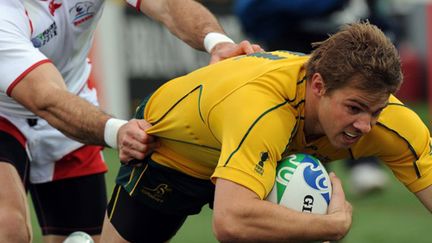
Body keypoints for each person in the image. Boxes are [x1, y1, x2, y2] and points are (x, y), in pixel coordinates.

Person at [101, 22, 432, 242]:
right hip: (172, 152)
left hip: (264, 160)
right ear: (319, 86)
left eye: (376, 111)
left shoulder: (390, 123)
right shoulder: (264, 110)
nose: (365, 125)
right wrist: (333, 225)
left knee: (300, 195)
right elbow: (231, 222)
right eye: (354, 108)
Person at [0, 0, 262, 242]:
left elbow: (167, 6)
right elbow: (45, 97)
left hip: (72, 97)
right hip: (9, 110)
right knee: (9, 227)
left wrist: (217, 42)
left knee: (87, 238)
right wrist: (118, 131)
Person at [234, 0, 405, 196]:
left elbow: (375, 18)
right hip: (290, 53)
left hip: (345, 55)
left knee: (355, 103)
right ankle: (299, 172)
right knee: (299, 119)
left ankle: (363, 163)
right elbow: (250, 12)